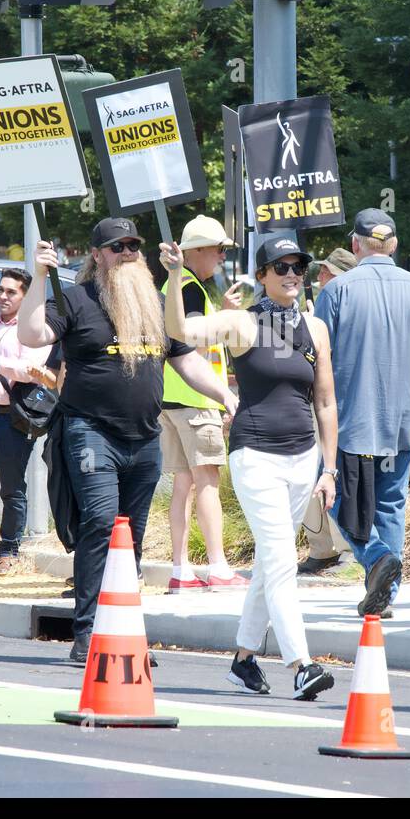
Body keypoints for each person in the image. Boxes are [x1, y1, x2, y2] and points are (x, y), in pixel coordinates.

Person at [17, 217, 237, 663]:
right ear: (97, 256)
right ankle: (87, 634)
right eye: (117, 247)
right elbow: (31, 334)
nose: (128, 253)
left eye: (133, 245)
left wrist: (225, 396)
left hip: (144, 438)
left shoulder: (154, 305)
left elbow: (187, 361)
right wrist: (39, 276)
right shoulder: (76, 299)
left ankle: (123, 630)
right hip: (90, 432)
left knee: (131, 538)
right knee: (99, 524)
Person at [163, 234, 337, 699]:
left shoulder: (314, 327)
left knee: (270, 560)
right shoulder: (243, 323)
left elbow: (324, 400)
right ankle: (302, 664)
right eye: (280, 267)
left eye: (298, 266)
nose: (292, 275)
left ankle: (243, 658)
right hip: (255, 453)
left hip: (304, 457)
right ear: (261, 276)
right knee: (281, 557)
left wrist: (329, 469)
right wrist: (176, 273)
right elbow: (181, 331)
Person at [313, 209, 410, 617]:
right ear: (395, 245)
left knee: (331, 496)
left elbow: (314, 354)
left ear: (356, 244)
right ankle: (387, 591)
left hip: (349, 422)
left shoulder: (337, 291)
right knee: (390, 504)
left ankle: (375, 558)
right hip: (400, 422)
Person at [158, 215, 248, 593]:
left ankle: (180, 569)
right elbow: (191, 340)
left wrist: (222, 310)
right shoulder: (192, 289)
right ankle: (219, 567)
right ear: (195, 251)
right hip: (197, 401)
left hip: (171, 399)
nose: (222, 256)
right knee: (207, 482)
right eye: (218, 249)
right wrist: (228, 320)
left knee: (183, 486)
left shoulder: (176, 286)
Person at [0, 267, 57, 574]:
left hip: (13, 419)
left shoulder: (32, 331)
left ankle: (9, 550)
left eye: (11, 292)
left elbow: (31, 369)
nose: (3, 297)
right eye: (0, 290)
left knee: (12, 490)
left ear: (25, 296)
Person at [298, 246, 357, 575]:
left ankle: (346, 548)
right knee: (310, 474)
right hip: (313, 399)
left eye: (328, 273)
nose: (320, 278)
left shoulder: (342, 306)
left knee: (330, 475)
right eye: (321, 272)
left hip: (333, 403)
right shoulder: (321, 305)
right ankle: (321, 548)